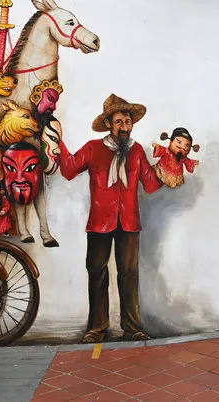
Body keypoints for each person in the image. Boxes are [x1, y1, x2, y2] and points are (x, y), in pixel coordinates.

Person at [59, 93, 163, 343]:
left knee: (129, 273)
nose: (124, 127)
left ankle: (133, 327)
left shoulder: (136, 150)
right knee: (96, 272)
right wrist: (56, 142)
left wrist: (171, 163)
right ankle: (97, 327)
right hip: (99, 222)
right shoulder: (94, 148)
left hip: (128, 222)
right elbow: (70, 169)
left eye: (127, 122)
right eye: (119, 122)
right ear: (108, 124)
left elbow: (149, 184)